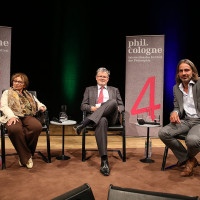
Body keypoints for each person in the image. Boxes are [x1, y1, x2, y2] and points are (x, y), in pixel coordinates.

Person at [74, 67, 125, 176]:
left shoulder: (114, 90)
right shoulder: (89, 89)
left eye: (105, 77)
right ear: (96, 78)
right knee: (101, 120)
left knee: (112, 102)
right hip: (97, 118)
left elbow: (122, 105)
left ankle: (83, 123)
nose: (102, 78)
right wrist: (92, 109)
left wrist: (117, 108)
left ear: (108, 79)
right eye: (100, 76)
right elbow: (83, 105)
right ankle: (104, 161)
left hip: (112, 118)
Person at [159, 59, 200, 176]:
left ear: (193, 72)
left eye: (187, 70)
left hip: (199, 122)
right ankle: (189, 160)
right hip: (186, 120)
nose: (184, 73)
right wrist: (174, 112)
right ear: (178, 74)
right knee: (163, 133)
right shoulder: (176, 88)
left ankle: (188, 160)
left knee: (192, 140)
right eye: (181, 71)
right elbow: (177, 106)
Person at [0, 73, 46, 169]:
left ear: (24, 84)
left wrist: (41, 106)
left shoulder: (28, 94)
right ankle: (27, 157)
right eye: (14, 81)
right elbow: (4, 106)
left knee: (36, 127)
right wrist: (12, 116)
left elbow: (37, 103)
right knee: (15, 129)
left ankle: (23, 155)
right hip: (12, 116)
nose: (16, 83)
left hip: (26, 116)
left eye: (19, 82)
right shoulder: (7, 93)